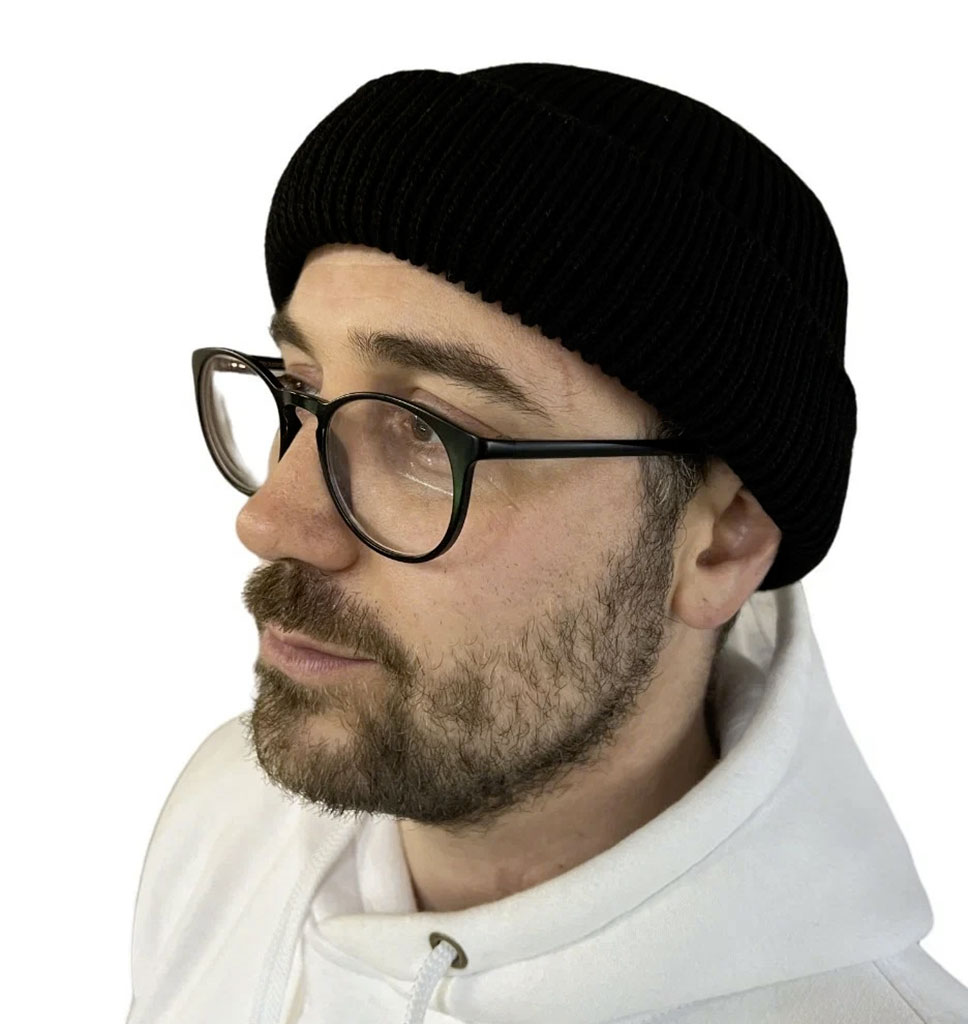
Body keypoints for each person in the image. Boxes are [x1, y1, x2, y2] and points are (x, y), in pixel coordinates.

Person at [125, 63, 968, 1024]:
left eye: (424, 431)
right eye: (301, 392)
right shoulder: (227, 823)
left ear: (722, 543)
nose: (271, 521)